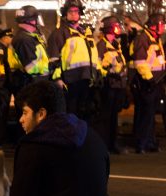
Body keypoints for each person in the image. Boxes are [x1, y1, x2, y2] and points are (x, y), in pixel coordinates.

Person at [11, 80, 125, 196]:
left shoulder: (34, 146)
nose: (21, 120)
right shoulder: (90, 135)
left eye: (25, 113)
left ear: (41, 114)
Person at [47, 0, 100, 121]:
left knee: (84, 114)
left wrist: (97, 72)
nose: (73, 14)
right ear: (65, 14)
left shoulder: (85, 34)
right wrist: (57, 78)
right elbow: (54, 58)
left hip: (87, 79)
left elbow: (93, 55)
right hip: (69, 80)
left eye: (76, 11)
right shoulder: (59, 33)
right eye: (70, 11)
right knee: (71, 114)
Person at [130, 13, 165, 154]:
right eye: (162, 24)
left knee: (150, 114)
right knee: (145, 114)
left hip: (156, 81)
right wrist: (149, 78)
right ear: (154, 26)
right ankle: (141, 143)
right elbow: (140, 62)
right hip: (146, 82)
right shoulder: (142, 39)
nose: (163, 27)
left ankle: (150, 142)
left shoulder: (155, 39)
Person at [95, 16, 127, 154]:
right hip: (108, 86)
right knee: (105, 117)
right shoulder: (102, 45)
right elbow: (99, 65)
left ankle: (113, 144)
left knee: (113, 117)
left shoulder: (115, 44)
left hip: (117, 86)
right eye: (116, 26)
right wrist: (108, 74)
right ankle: (104, 145)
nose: (118, 29)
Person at [10, 5, 49, 95]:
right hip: (29, 87)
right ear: (29, 21)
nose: (37, 22)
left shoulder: (29, 38)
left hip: (34, 85)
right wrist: (50, 67)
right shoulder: (24, 40)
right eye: (36, 19)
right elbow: (31, 68)